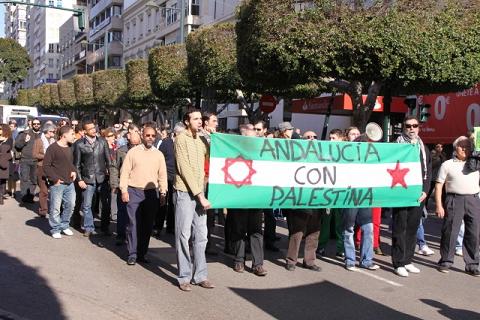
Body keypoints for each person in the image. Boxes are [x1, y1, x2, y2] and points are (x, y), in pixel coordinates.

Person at [174, 109, 214, 292]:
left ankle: (200, 275)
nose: (200, 121)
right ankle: (184, 276)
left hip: (201, 194)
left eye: (201, 119)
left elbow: (215, 158)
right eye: (196, 118)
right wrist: (200, 195)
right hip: (185, 193)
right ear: (187, 121)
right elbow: (185, 169)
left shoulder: (203, 140)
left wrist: (216, 139)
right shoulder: (181, 139)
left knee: (202, 236)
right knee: (183, 235)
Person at [119, 125, 168, 265]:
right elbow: (125, 173)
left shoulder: (158, 155)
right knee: (133, 223)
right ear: (142, 135)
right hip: (134, 191)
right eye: (148, 135)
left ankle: (142, 253)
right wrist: (124, 190)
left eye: (153, 136)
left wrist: (163, 192)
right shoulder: (133, 152)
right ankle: (132, 253)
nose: (150, 138)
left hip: (151, 193)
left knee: (147, 225)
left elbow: (162, 175)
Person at [391, 116, 432, 277]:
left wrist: (425, 191)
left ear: (419, 127)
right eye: (408, 126)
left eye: (415, 125)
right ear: (403, 127)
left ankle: (408, 260)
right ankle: (398, 262)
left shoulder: (423, 147)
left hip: (418, 194)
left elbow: (428, 171)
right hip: (401, 192)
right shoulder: (397, 146)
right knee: (400, 228)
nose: (412, 129)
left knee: (413, 228)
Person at [436, 136, 480, 276]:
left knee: (474, 233)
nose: (465, 149)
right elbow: (439, 185)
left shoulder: (476, 163)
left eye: (468, 146)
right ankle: (446, 261)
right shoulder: (447, 164)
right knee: (450, 231)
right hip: (454, 199)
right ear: (456, 148)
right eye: (462, 146)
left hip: (473, 199)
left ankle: (472, 264)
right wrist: (439, 205)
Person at [229, 124, 267, 276]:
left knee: (256, 231)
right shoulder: (233, 152)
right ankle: (239, 260)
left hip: (256, 198)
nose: (253, 141)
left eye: (255, 138)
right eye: (249, 139)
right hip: (239, 196)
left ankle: (258, 264)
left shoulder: (261, 153)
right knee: (239, 229)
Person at [342, 126, 379, 271]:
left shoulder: (369, 152)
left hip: (365, 196)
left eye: (358, 134)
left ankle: (367, 260)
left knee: (368, 228)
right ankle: (350, 259)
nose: (356, 136)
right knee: (349, 229)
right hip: (349, 196)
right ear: (347, 136)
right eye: (353, 134)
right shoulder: (344, 151)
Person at [74, 120, 112, 237]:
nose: (94, 130)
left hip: (102, 177)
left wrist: (111, 176)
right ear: (85, 131)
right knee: (87, 205)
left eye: (94, 128)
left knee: (105, 204)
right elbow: (77, 164)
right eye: (90, 129)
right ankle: (89, 227)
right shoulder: (79, 144)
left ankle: (105, 227)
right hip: (87, 178)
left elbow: (108, 160)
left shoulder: (102, 142)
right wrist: (79, 179)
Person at [43, 126, 77, 239]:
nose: (74, 136)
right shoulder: (52, 148)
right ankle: (55, 228)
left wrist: (74, 171)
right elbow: (46, 166)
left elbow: (71, 163)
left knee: (71, 205)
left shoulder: (71, 147)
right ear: (64, 135)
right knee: (55, 208)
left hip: (70, 182)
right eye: (72, 134)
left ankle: (64, 225)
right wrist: (55, 179)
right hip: (57, 183)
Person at [317, 129, 345, 259]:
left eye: (334, 138)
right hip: (328, 192)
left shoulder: (347, 152)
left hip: (342, 192)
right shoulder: (326, 152)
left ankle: (341, 248)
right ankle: (321, 246)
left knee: (340, 222)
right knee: (326, 221)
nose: (331, 141)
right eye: (330, 138)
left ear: (341, 139)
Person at [110, 128, 141, 245]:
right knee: (122, 211)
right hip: (124, 185)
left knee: (135, 213)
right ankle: (121, 234)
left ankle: (133, 236)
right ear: (128, 136)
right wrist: (115, 184)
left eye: (137, 132)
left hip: (138, 186)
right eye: (133, 132)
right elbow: (114, 167)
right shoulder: (121, 151)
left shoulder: (144, 150)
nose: (135, 134)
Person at [254, 120, 280, 252]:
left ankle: (270, 241)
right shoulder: (250, 143)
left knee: (270, 216)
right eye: (255, 129)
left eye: (259, 129)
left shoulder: (272, 145)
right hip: (254, 187)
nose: (256, 132)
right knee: (253, 217)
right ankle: (251, 243)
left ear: (265, 130)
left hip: (267, 187)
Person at [199, 112, 219, 255]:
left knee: (210, 213)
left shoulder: (215, 137)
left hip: (214, 177)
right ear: (206, 123)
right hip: (203, 177)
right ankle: (199, 241)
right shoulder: (199, 136)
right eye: (214, 121)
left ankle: (209, 242)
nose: (216, 123)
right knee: (201, 211)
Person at [154, 125, 176, 236]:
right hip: (168, 176)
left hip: (172, 177)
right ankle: (163, 226)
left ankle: (165, 226)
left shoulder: (169, 144)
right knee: (166, 202)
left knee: (169, 202)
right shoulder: (168, 143)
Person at [32, 123, 57, 217]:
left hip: (52, 167)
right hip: (41, 167)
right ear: (47, 131)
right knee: (44, 190)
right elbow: (34, 154)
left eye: (54, 131)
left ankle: (54, 209)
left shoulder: (53, 141)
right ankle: (43, 210)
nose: (54, 133)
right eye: (52, 131)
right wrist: (46, 156)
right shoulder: (39, 140)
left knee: (54, 189)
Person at [15, 118, 42, 203]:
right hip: (25, 160)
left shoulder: (42, 135)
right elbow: (17, 146)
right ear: (32, 125)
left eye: (38, 124)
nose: (36, 125)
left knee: (34, 180)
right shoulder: (25, 133)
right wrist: (24, 141)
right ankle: (24, 196)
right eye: (34, 124)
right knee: (24, 179)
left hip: (36, 161)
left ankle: (30, 196)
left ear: (40, 125)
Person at [0, 124, 13, 205]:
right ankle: (0, 197)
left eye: (0, 129)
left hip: (4, 162)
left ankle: (1, 194)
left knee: (3, 180)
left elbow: (7, 149)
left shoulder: (9, 139)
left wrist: (2, 142)